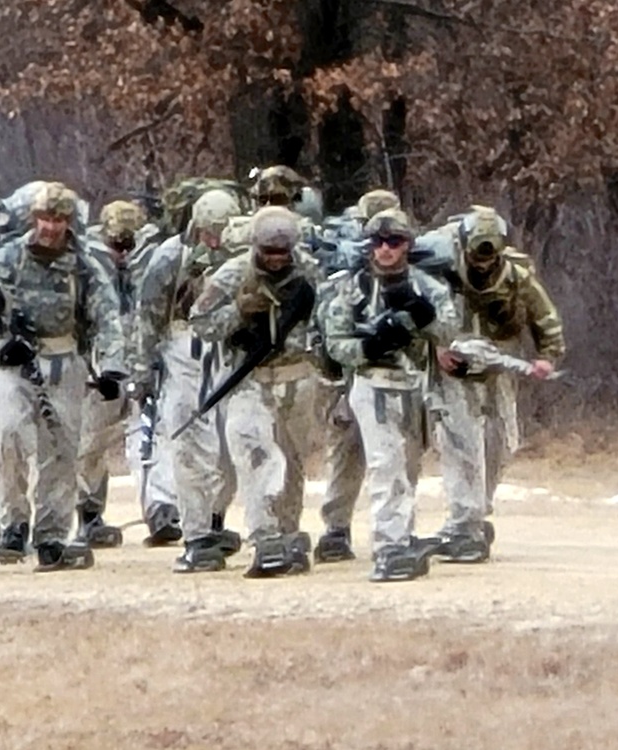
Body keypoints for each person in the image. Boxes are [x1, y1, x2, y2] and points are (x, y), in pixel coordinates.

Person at [0, 182, 127, 571]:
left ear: (69, 223)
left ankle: (52, 535)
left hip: (64, 361)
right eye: (45, 218)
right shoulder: (3, 261)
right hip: (12, 366)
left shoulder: (85, 267)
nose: (51, 227)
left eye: (59, 219)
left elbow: (107, 319)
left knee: (62, 449)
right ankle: (13, 524)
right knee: (5, 435)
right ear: (33, 219)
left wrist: (112, 368)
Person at [318, 208, 458, 582]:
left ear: (407, 245)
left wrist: (421, 315)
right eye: (378, 242)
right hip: (372, 384)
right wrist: (370, 347)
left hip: (414, 386)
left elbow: (448, 332)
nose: (385, 249)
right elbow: (334, 342)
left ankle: (401, 533)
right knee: (385, 465)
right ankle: (389, 546)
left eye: (393, 242)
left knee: (408, 466)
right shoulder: (350, 288)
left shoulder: (428, 287)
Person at [190, 206, 325, 578]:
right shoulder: (233, 273)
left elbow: (328, 316)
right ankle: (264, 538)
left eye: (284, 252)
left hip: (298, 377)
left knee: (291, 461)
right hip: (251, 380)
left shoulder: (311, 271)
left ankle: (288, 532)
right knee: (253, 455)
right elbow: (199, 321)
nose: (277, 259)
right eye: (269, 252)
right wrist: (238, 311)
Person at [433, 206, 565, 561]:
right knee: (459, 443)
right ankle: (463, 522)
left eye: (489, 254)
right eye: (476, 253)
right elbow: (418, 313)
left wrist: (547, 356)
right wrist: (436, 349)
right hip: (454, 368)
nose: (482, 262)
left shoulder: (517, 277)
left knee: (500, 441)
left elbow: (545, 317)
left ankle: (478, 509)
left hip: (499, 366)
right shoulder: (441, 272)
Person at [135, 188, 244, 572]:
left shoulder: (240, 255)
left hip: (230, 353)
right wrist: (143, 371)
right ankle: (196, 535)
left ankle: (215, 519)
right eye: (209, 231)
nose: (214, 240)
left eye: (221, 231)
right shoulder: (169, 258)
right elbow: (148, 317)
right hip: (183, 351)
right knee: (189, 445)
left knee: (232, 446)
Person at [76, 199, 179, 547]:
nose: (122, 251)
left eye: (127, 244)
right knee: (89, 442)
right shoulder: (86, 267)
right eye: (115, 244)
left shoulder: (156, 263)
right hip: (101, 367)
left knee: (150, 436)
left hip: (145, 361)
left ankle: (161, 508)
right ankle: (89, 513)